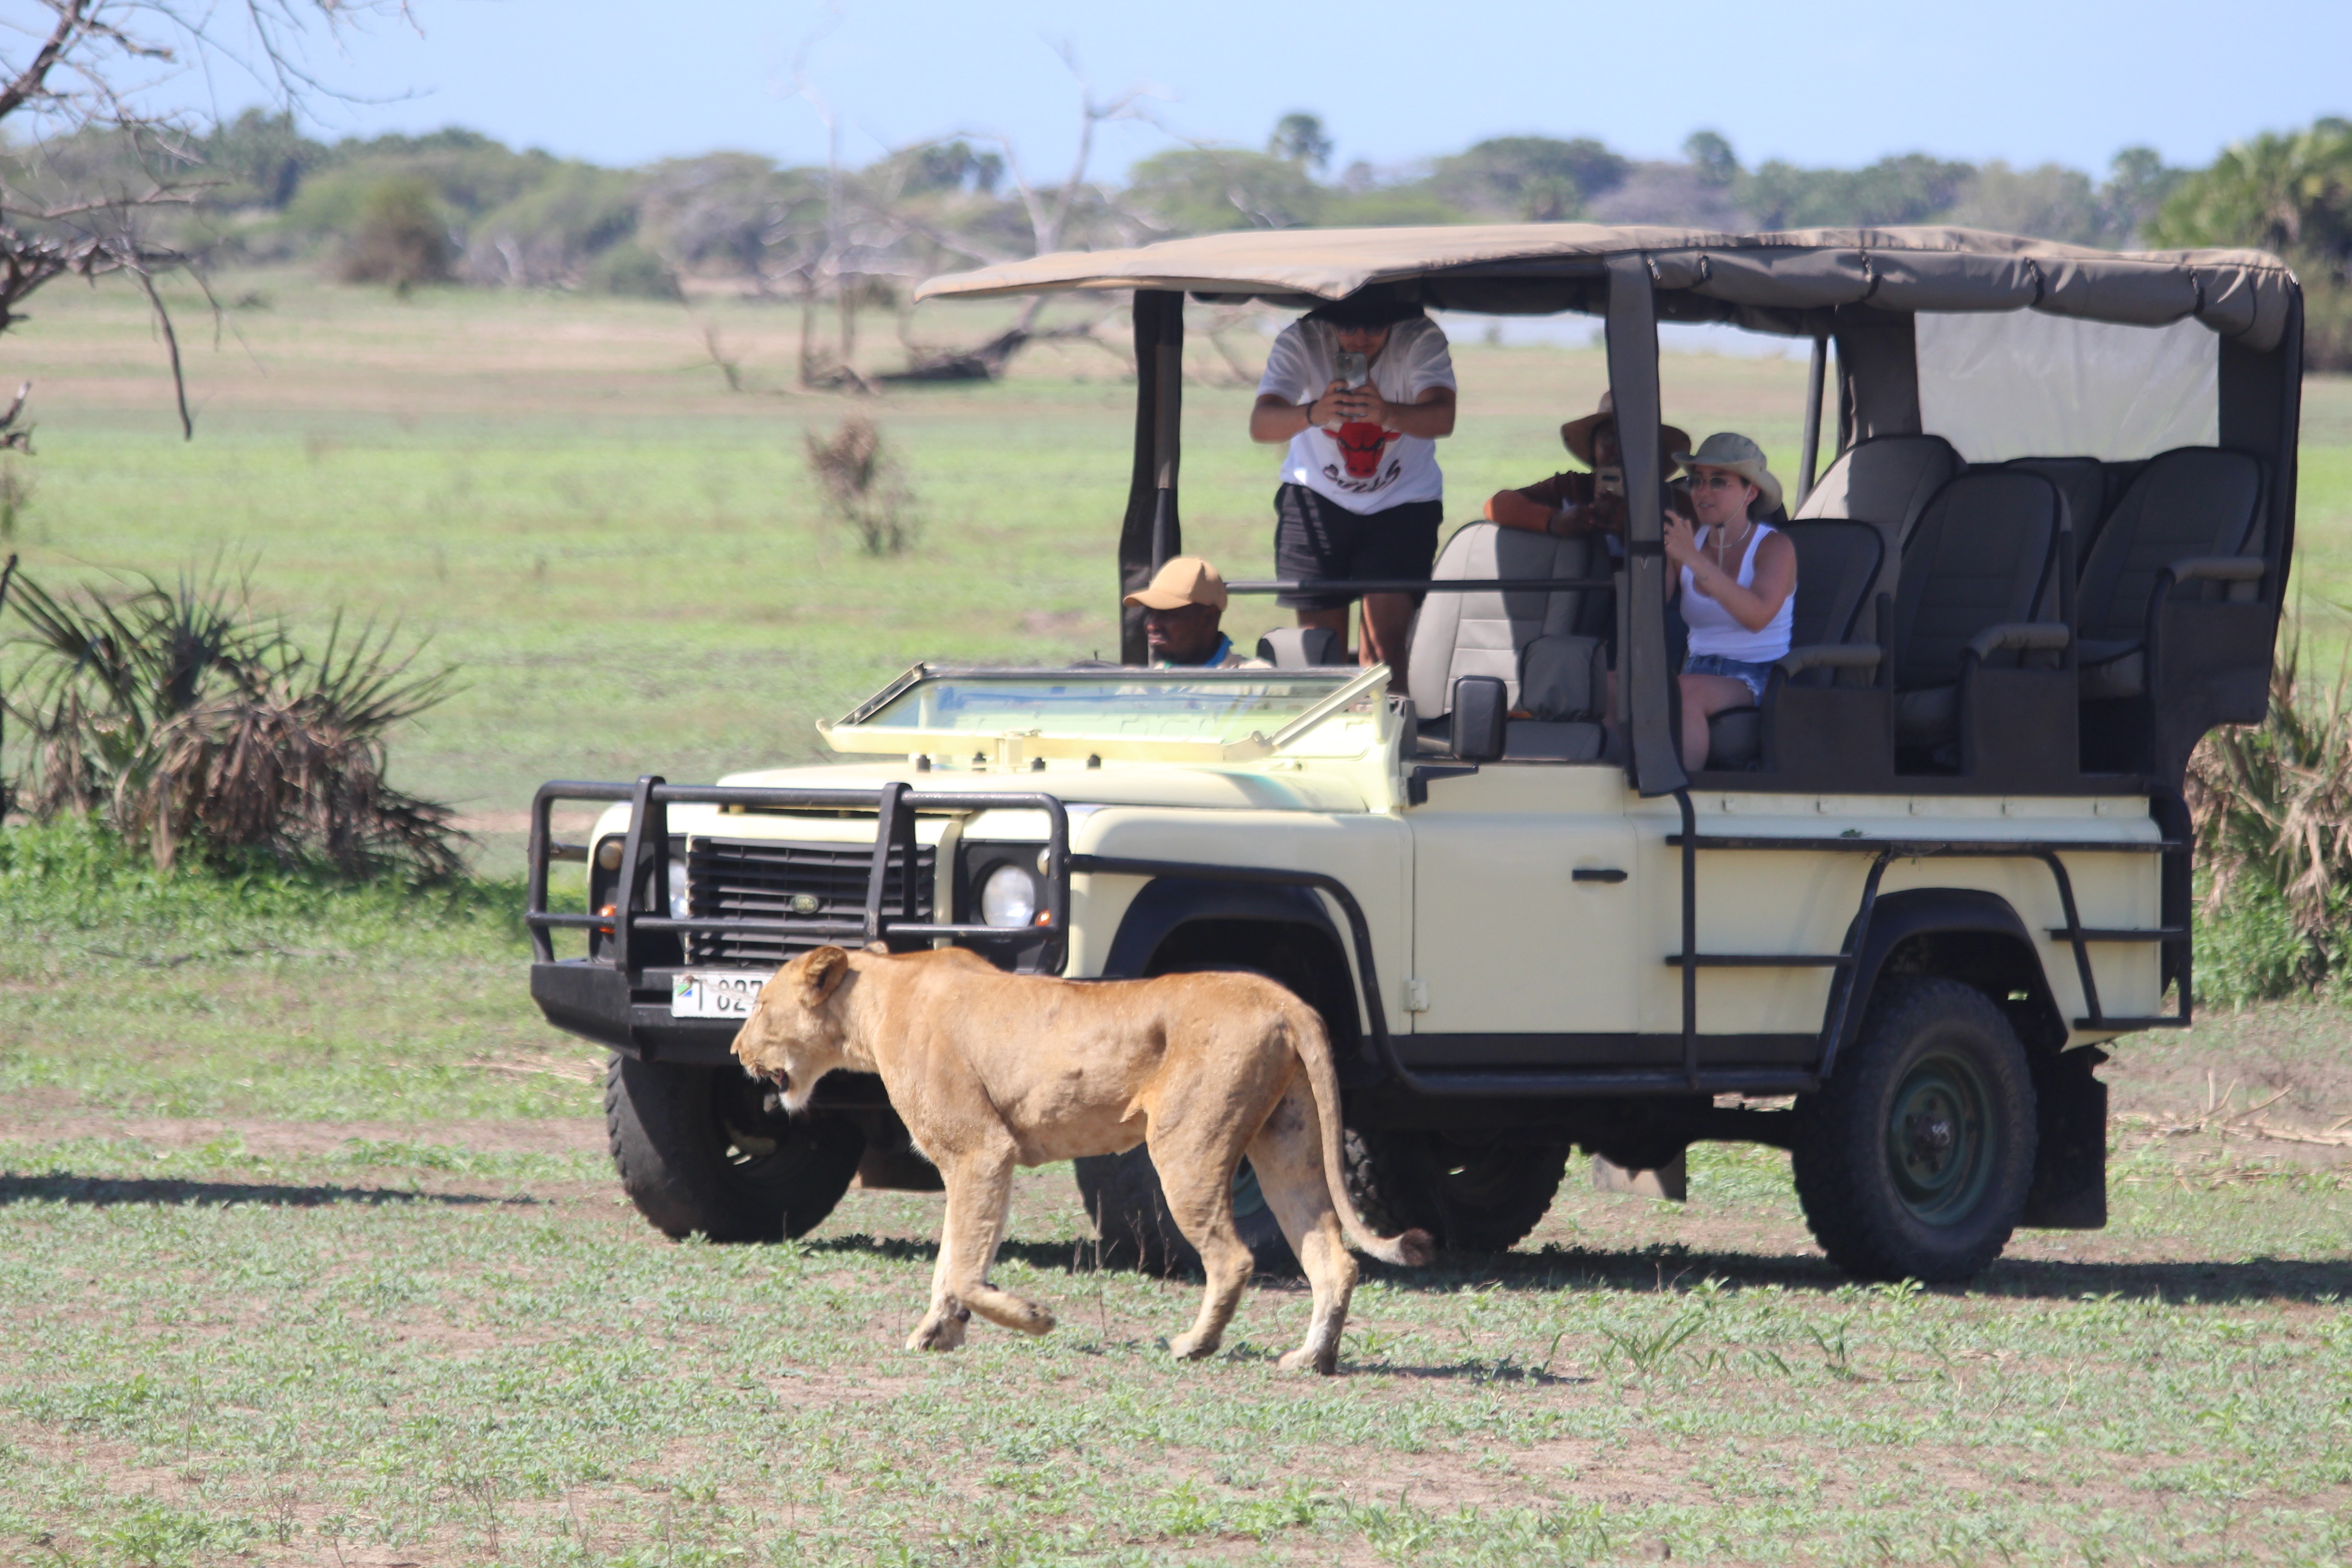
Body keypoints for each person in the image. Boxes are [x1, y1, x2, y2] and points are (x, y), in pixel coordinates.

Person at [1249, 296, 1457, 673]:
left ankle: (1385, 727)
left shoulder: (1419, 337)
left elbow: (1443, 419)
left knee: (1384, 652)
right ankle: (1325, 726)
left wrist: (1389, 413)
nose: (1361, 339)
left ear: (1394, 321)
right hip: (1316, 496)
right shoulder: (1301, 339)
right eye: (1348, 328)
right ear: (1327, 323)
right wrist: (1315, 413)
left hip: (1403, 501)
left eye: (1374, 328)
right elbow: (1261, 425)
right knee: (1317, 651)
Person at [1661, 432, 1796, 771]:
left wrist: (1694, 560)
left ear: (1751, 492)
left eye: (1718, 482)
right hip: (1696, 669)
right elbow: (1645, 610)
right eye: (1697, 482)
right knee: (1609, 686)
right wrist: (1650, 548)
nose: (1703, 493)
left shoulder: (1775, 547)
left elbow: (1757, 616)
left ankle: (1679, 803)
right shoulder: (1687, 542)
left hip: (1758, 676)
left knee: (1683, 693)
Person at [1482, 390, 1691, 546]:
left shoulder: (1674, 503)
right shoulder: (1570, 488)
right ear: (1593, 450)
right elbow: (1497, 506)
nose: (1619, 450)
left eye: (1633, 440)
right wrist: (1555, 521)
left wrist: (1635, 533)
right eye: (1610, 439)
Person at [1122, 556, 1262, 667]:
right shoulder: (1142, 687)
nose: (1152, 626)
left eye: (1167, 614)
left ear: (1209, 616)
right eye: (1150, 613)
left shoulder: (1256, 684)